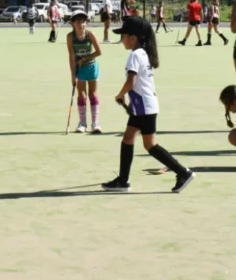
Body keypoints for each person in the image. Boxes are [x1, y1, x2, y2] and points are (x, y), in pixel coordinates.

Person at [101, 17, 195, 193]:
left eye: (124, 35)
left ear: (134, 38)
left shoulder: (135, 55)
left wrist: (120, 95)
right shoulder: (143, 53)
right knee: (129, 138)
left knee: (150, 145)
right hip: (145, 106)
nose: (122, 39)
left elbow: (131, 80)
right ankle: (123, 180)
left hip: (144, 107)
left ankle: (183, 172)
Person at [67, 10, 103, 133]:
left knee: (93, 94)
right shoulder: (70, 37)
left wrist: (84, 58)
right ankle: (82, 123)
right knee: (81, 95)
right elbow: (71, 55)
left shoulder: (90, 34)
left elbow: (99, 52)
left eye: (83, 22)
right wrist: (73, 74)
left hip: (92, 67)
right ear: (73, 23)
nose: (81, 24)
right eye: (78, 22)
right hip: (79, 69)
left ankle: (95, 123)